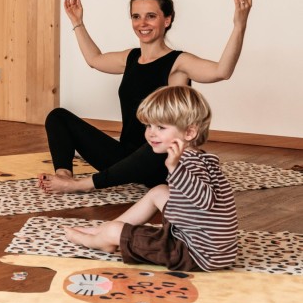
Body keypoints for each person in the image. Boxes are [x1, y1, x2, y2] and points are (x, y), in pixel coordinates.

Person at [39, 0, 251, 193]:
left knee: (157, 147)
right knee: (58, 117)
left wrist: (239, 25)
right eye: (136, 16)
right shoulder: (130, 58)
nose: (142, 23)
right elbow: (95, 59)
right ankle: (63, 175)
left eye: (151, 16)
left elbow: (221, 71)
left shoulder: (178, 63)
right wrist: (77, 23)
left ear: (166, 20)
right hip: (125, 158)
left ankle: (82, 185)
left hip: (159, 162)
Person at [63, 86, 237, 271]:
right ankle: (104, 230)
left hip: (194, 253)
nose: (151, 133)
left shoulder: (187, 163)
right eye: (149, 126)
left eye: (160, 127)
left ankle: (102, 239)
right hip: (213, 249)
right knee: (159, 192)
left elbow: (205, 201)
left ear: (189, 133)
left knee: (117, 232)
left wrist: (174, 168)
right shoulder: (200, 157)